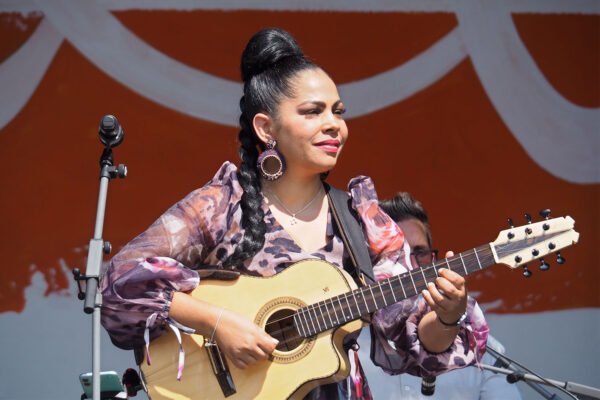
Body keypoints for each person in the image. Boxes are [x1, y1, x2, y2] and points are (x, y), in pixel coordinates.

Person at [99, 28, 488, 399]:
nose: (333, 124)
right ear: (266, 128)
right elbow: (120, 282)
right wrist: (215, 323)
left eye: (338, 111)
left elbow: (414, 342)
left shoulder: (359, 220)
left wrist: (449, 315)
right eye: (312, 112)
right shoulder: (221, 204)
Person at [375, 192, 521, 399]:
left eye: (420, 253)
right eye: (396, 254)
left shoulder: (479, 351)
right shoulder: (343, 345)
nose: (411, 266)